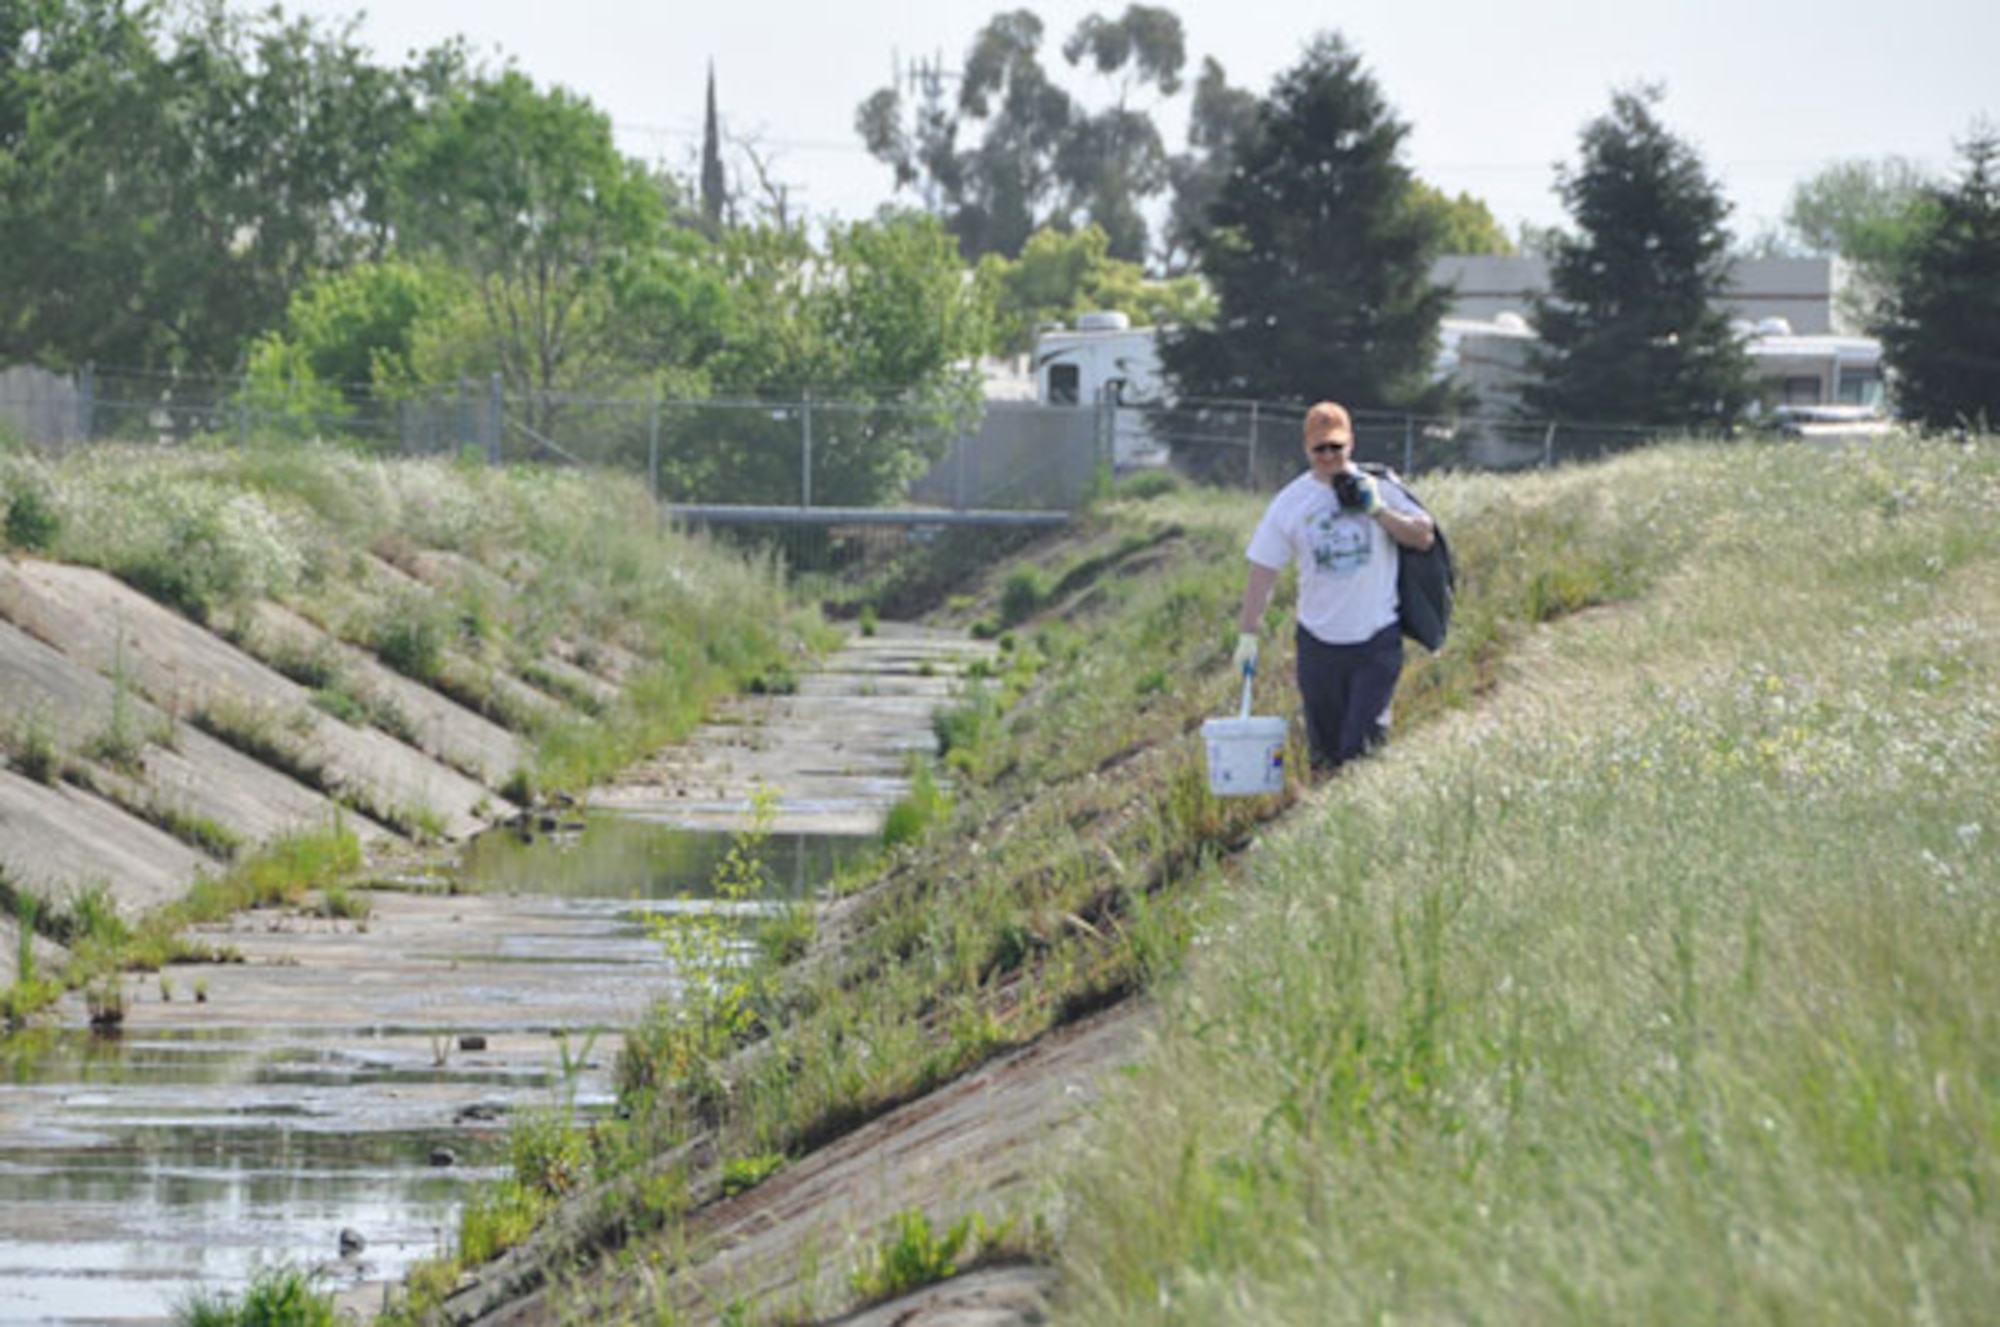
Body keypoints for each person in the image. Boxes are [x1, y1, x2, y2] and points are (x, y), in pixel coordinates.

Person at [1231, 400, 1435, 775]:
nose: (1329, 456)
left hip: (1376, 638)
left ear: (1350, 443)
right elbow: (1263, 570)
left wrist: (1378, 511)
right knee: (1324, 755)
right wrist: (1248, 635)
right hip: (1319, 643)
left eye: (1336, 447)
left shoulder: (1381, 488)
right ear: (1306, 449)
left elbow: (1424, 537)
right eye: (1319, 448)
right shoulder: (1291, 503)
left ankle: (1362, 820)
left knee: (1362, 748)